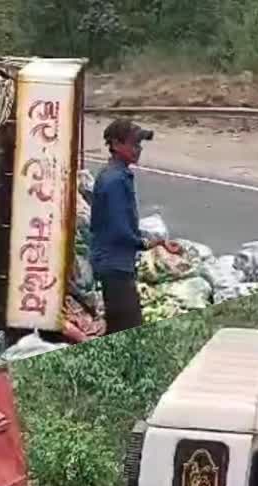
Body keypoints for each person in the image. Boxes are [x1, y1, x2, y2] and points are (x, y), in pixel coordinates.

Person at [90, 118, 161, 335]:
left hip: (116, 263)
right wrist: (144, 243)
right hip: (114, 265)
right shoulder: (114, 180)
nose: (138, 149)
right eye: (133, 144)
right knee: (128, 327)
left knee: (120, 324)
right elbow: (119, 228)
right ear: (116, 145)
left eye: (139, 145)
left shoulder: (118, 174)